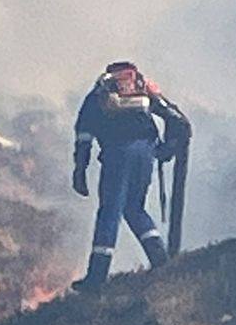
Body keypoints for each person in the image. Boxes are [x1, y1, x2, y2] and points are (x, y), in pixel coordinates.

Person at [71, 61, 191, 289]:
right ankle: (160, 259)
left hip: (117, 155)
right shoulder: (142, 88)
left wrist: (80, 170)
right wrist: (168, 147)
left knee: (110, 212)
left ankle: (97, 276)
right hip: (145, 153)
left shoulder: (97, 95)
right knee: (134, 208)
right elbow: (176, 118)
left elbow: (83, 135)